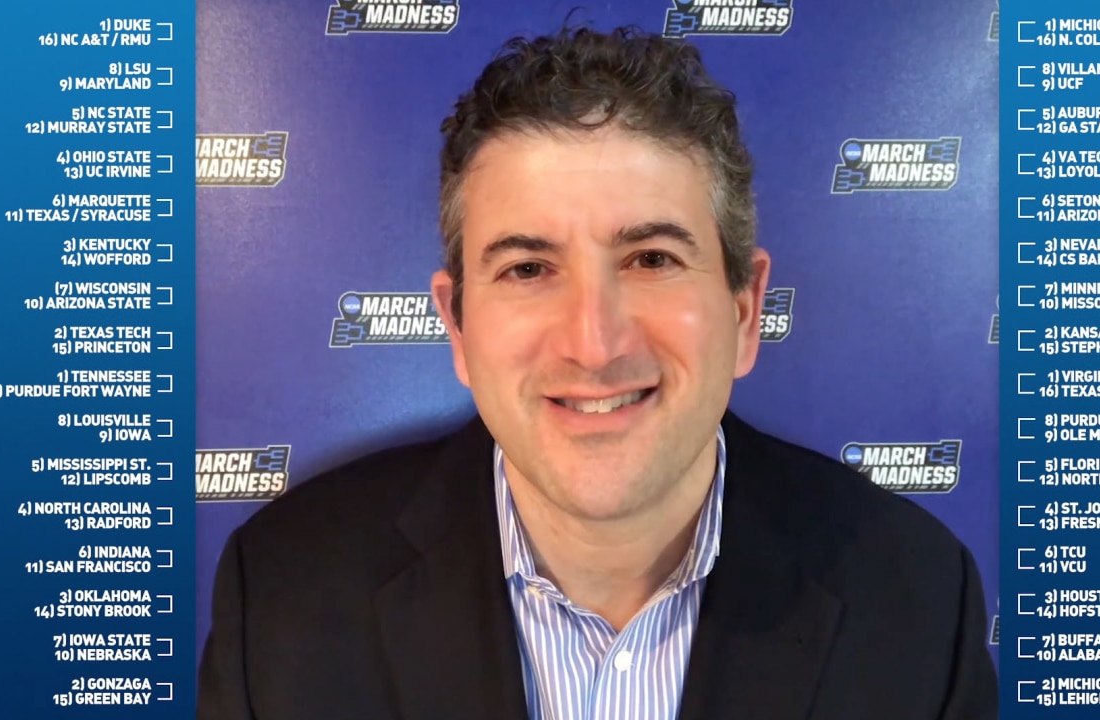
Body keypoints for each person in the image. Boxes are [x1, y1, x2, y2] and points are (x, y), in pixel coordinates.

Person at [198, 25, 998, 720]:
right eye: (527, 268)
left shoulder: (919, 603)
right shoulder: (283, 596)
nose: (594, 342)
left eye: (651, 259)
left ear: (745, 312)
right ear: (458, 325)